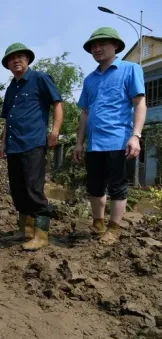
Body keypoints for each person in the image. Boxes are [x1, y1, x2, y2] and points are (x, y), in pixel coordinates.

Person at [74, 27, 146, 245]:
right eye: (93, 46)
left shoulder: (130, 69)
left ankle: (114, 229)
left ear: (115, 45)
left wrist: (136, 136)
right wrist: (79, 142)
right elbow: (85, 113)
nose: (97, 49)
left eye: (102, 44)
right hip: (94, 144)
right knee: (95, 186)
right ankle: (98, 223)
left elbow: (139, 103)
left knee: (117, 186)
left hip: (118, 140)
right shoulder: (90, 80)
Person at [0, 43, 64, 251]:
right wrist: (3, 143)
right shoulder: (11, 88)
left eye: (21, 56)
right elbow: (8, 119)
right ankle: (25, 230)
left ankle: (41, 235)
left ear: (27, 59)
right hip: (14, 145)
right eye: (12, 58)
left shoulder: (40, 79)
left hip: (34, 143)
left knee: (33, 189)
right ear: (8, 64)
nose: (16, 60)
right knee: (18, 190)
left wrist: (54, 131)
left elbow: (57, 104)